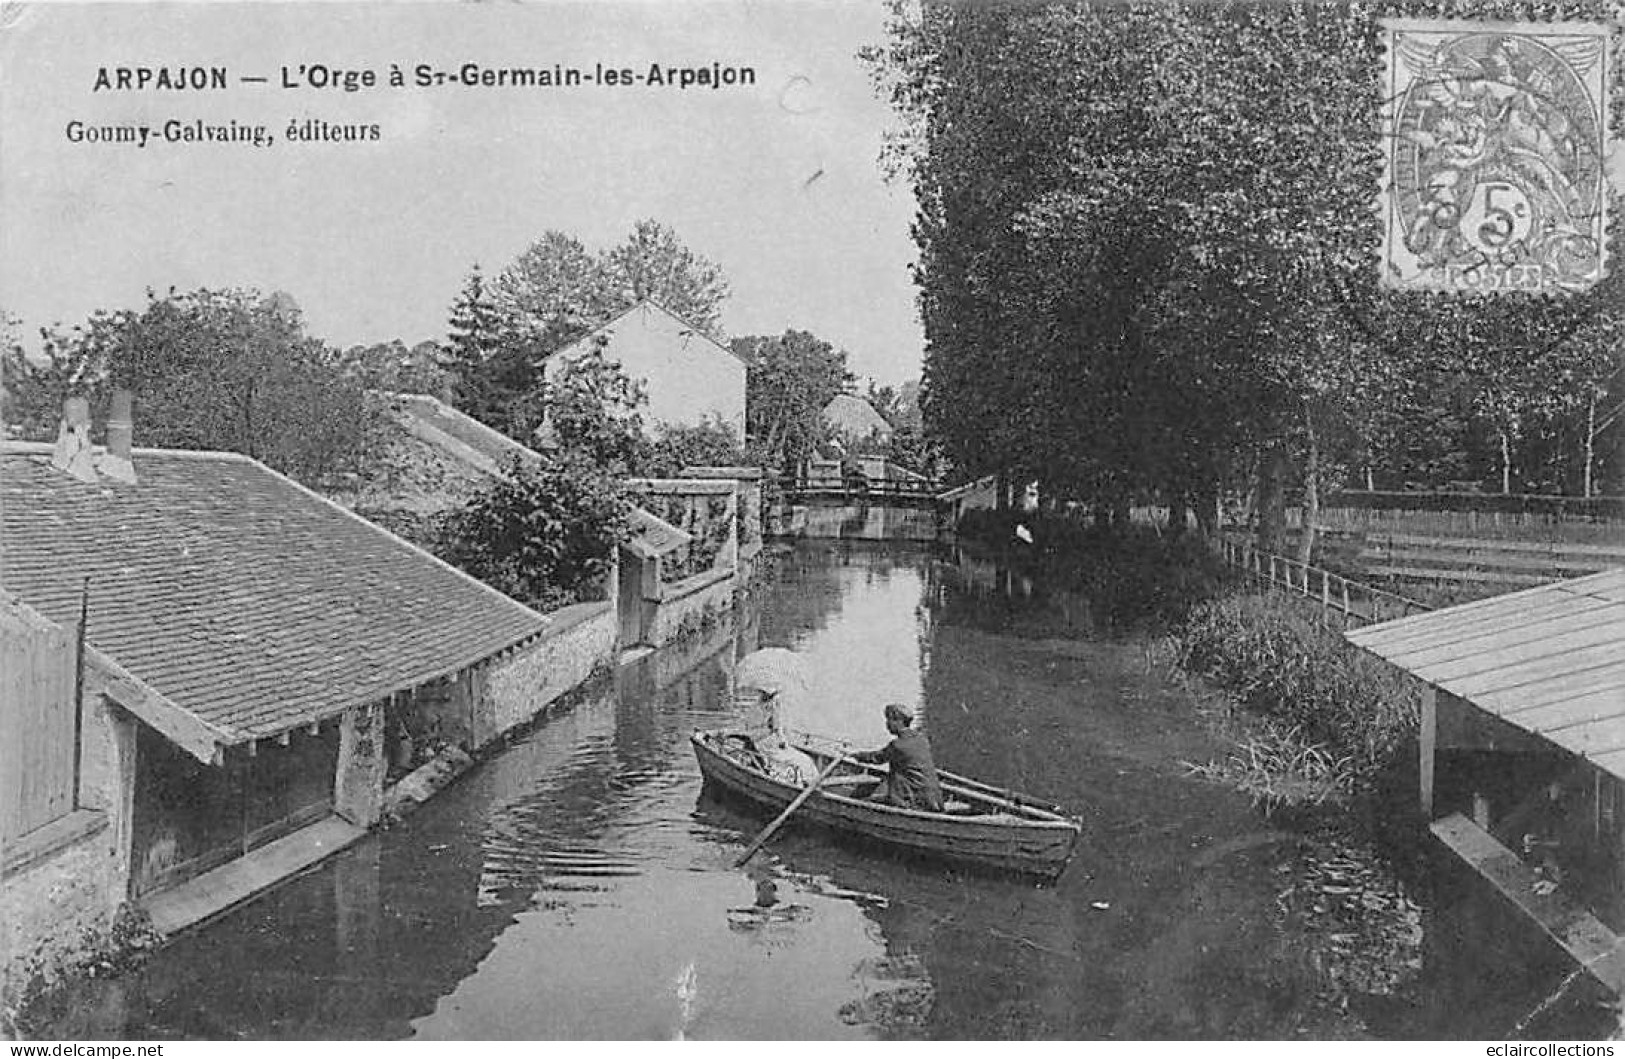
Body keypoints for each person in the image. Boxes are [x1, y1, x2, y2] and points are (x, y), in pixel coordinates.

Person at [853, 704, 943, 812]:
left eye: (889, 720)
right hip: (934, 799)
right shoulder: (921, 740)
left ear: (898, 721)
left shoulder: (897, 745)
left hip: (913, 800)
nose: (887, 724)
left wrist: (856, 755)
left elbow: (877, 758)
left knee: (864, 803)